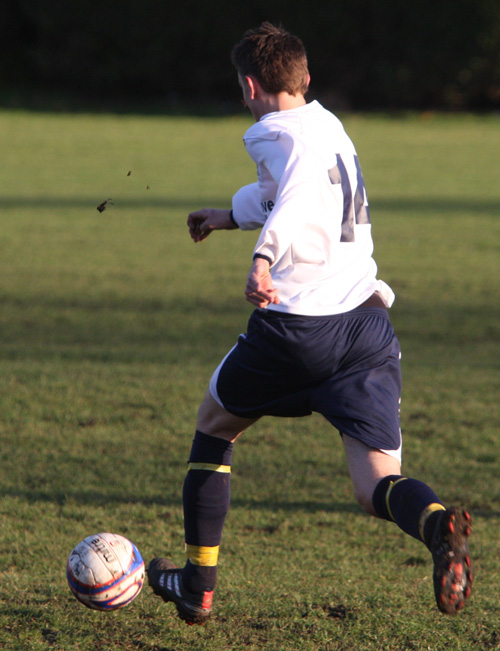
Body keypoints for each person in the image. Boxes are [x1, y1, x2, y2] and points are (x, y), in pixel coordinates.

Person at [147, 22, 473, 625]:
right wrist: (227, 214)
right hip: (366, 326)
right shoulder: (327, 126)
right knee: (376, 484)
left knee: (214, 427)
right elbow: (295, 191)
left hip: (299, 331)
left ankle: (196, 587)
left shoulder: (273, 132)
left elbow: (295, 197)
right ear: (305, 79)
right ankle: (436, 526)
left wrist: (263, 259)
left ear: (250, 86)